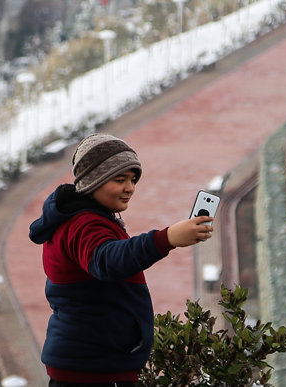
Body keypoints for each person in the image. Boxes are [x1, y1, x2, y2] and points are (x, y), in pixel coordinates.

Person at [29, 133, 213, 386]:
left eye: (133, 179)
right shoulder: (84, 224)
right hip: (93, 369)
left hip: (91, 364)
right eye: (120, 179)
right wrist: (167, 238)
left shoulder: (86, 219)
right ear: (94, 181)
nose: (130, 188)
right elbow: (108, 260)